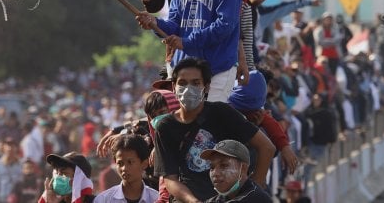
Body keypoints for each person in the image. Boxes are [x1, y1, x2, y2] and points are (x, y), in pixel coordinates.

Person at [151, 58, 275, 202]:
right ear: (174, 87)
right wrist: (194, 202)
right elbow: (170, 179)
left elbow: (267, 147)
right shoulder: (165, 126)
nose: (188, 88)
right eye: (183, 83)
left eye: (196, 83)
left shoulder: (221, 112)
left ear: (207, 87)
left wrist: (252, 190)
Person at [93, 134, 159, 203]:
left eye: (130, 162)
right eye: (120, 163)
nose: (124, 168)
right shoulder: (103, 200)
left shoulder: (156, 199)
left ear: (144, 163)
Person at [200, 140, 271, 202]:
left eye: (224, 165)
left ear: (243, 168)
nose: (215, 173)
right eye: (212, 167)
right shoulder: (220, 198)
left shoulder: (256, 198)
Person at [0, 137, 22, 203]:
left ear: (16, 148)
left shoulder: (21, 164)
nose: (10, 148)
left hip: (18, 199)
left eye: (12, 146)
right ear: (3, 148)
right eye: (8, 146)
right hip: (3, 199)